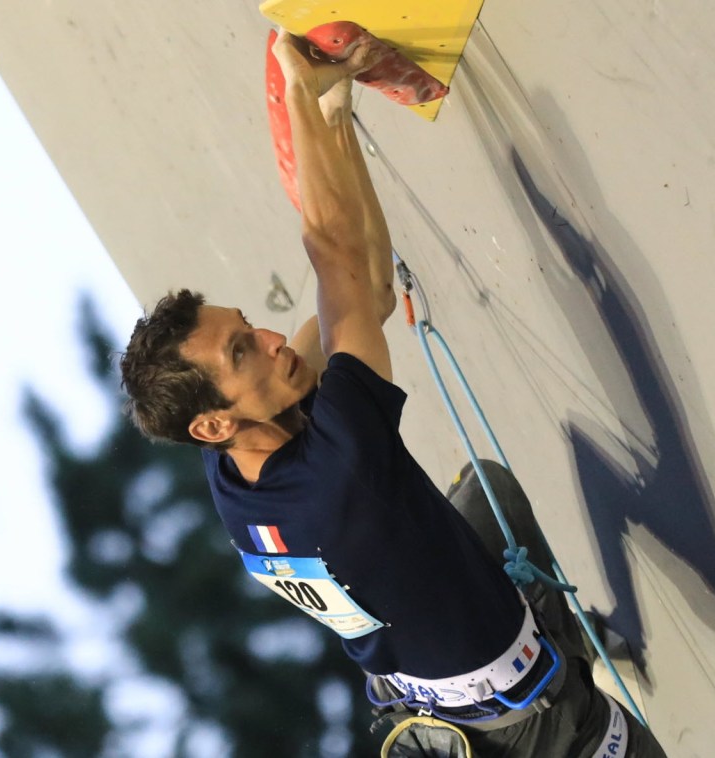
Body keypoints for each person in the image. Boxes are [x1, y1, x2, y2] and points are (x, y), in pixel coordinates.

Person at [119, 29, 666, 758]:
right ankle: (568, 665)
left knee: (490, 496)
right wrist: (299, 91)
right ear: (212, 424)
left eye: (250, 326)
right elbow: (335, 257)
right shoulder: (339, 470)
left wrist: (337, 116)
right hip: (524, 728)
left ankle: (561, 634)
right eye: (243, 350)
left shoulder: (235, 468)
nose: (275, 339)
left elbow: (367, 293)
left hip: (421, 677)